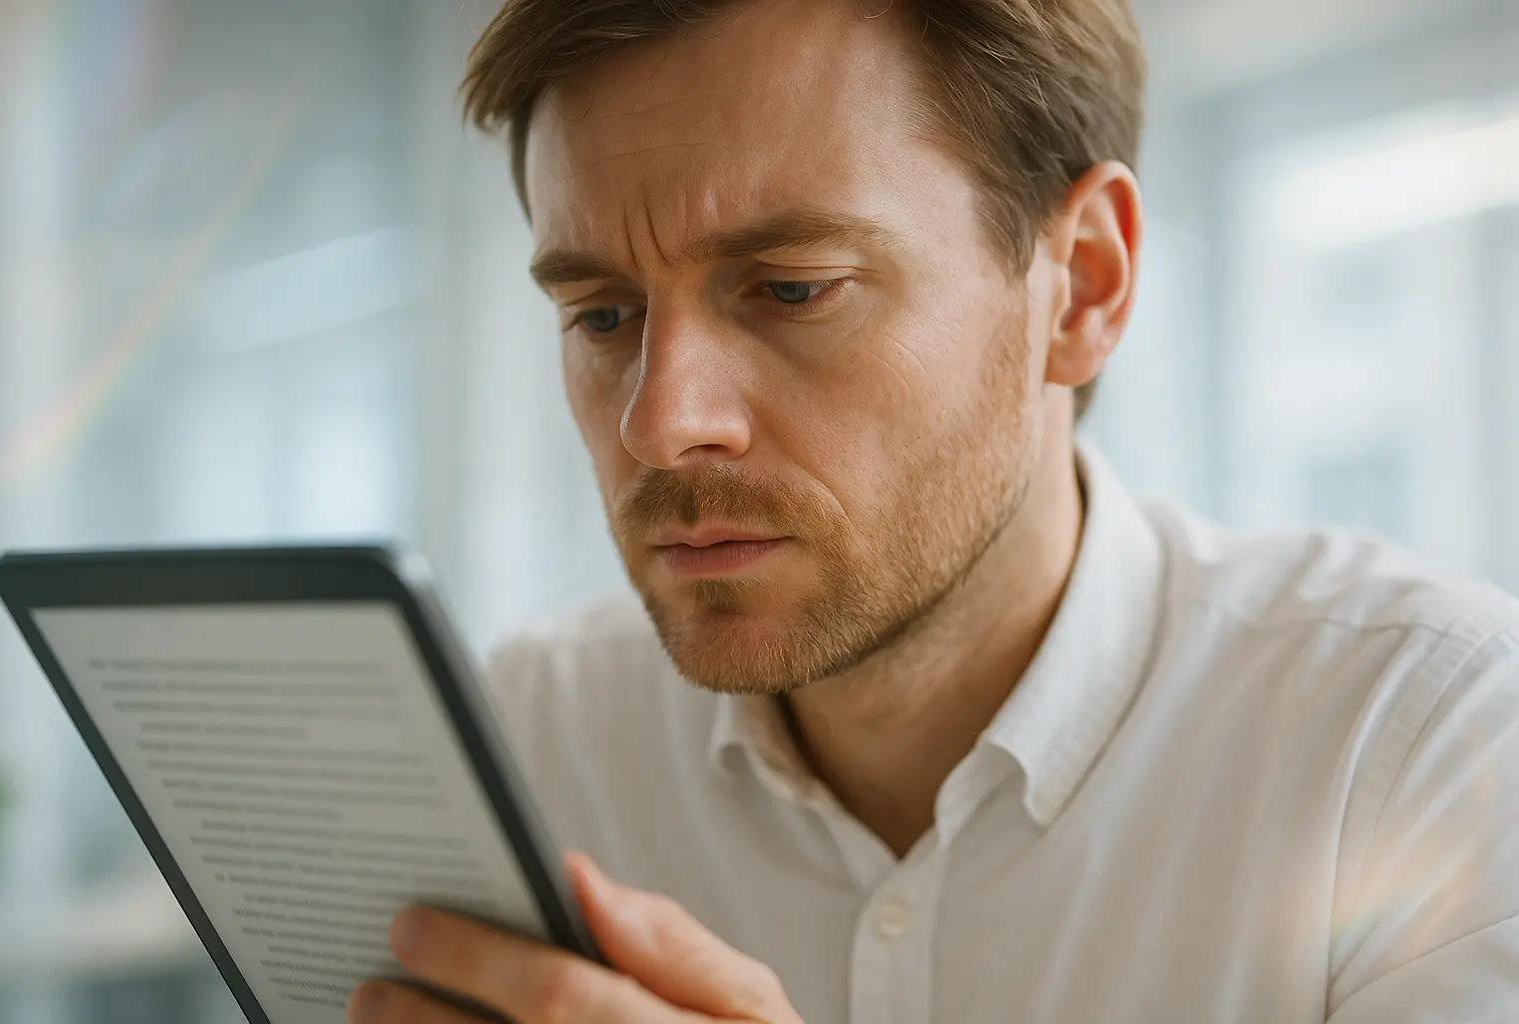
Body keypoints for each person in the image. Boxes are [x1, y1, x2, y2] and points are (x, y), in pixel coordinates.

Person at [347, 1, 1519, 1021]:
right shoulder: (526, 745)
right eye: (603, 316)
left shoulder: (1429, 745)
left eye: (795, 289)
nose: (661, 424)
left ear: (1083, 286)